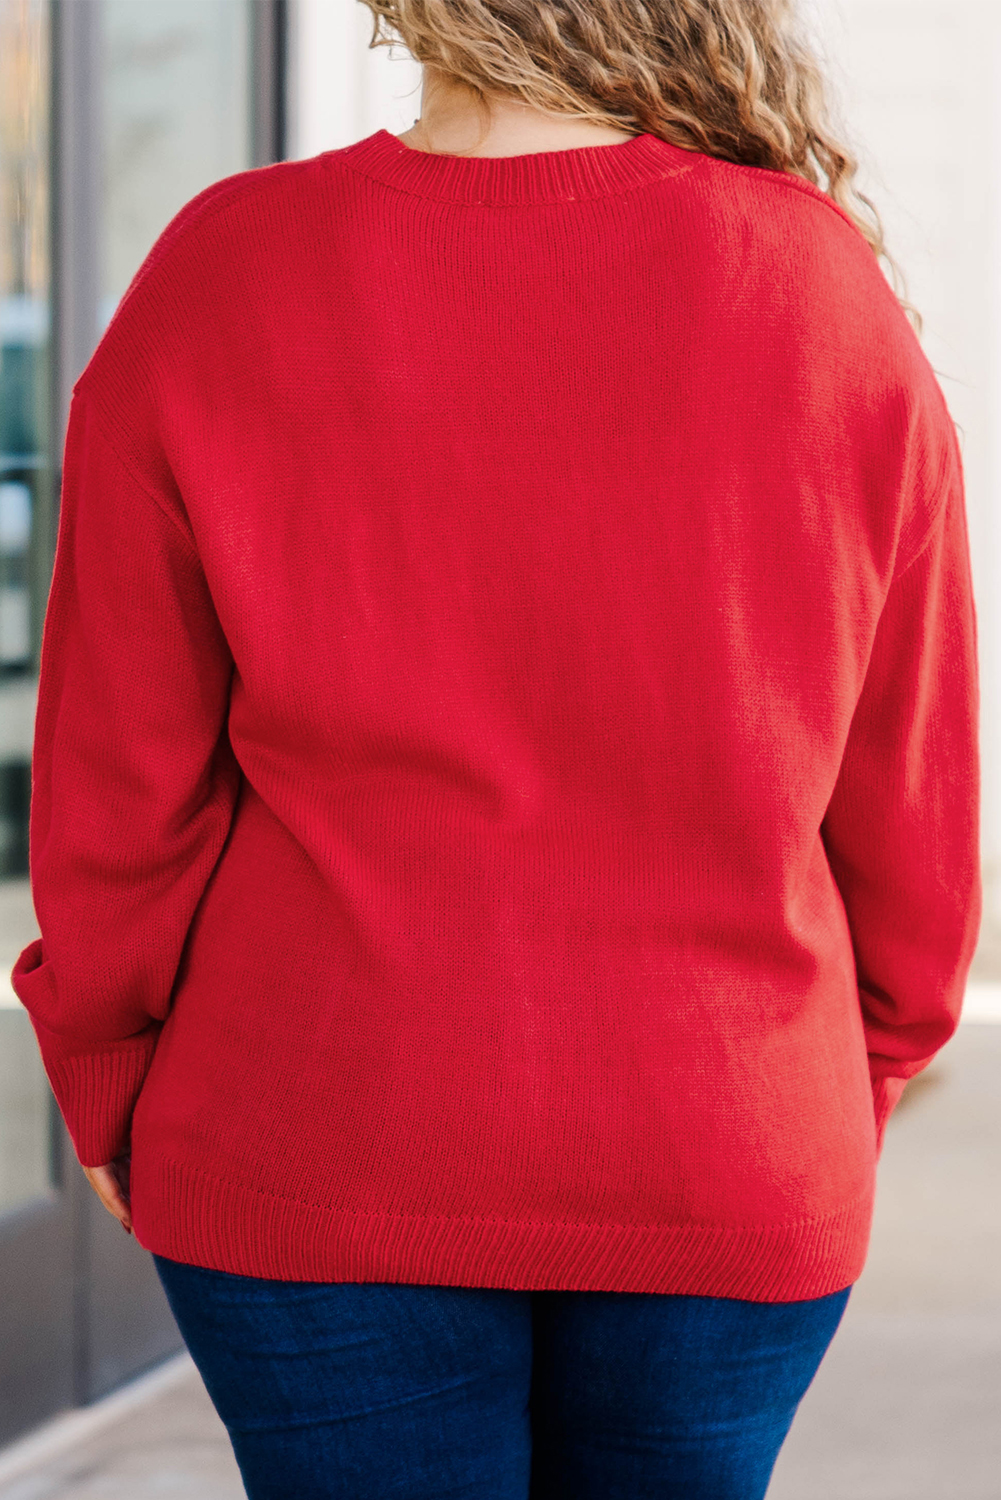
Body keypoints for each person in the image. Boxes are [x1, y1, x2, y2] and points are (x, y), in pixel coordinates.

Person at [11, 1, 981, 1496]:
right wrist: (827, 1091)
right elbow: (909, 797)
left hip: (314, 1134)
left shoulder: (226, 268)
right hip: (720, 1135)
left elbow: (122, 774)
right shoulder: (814, 287)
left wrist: (100, 1052)